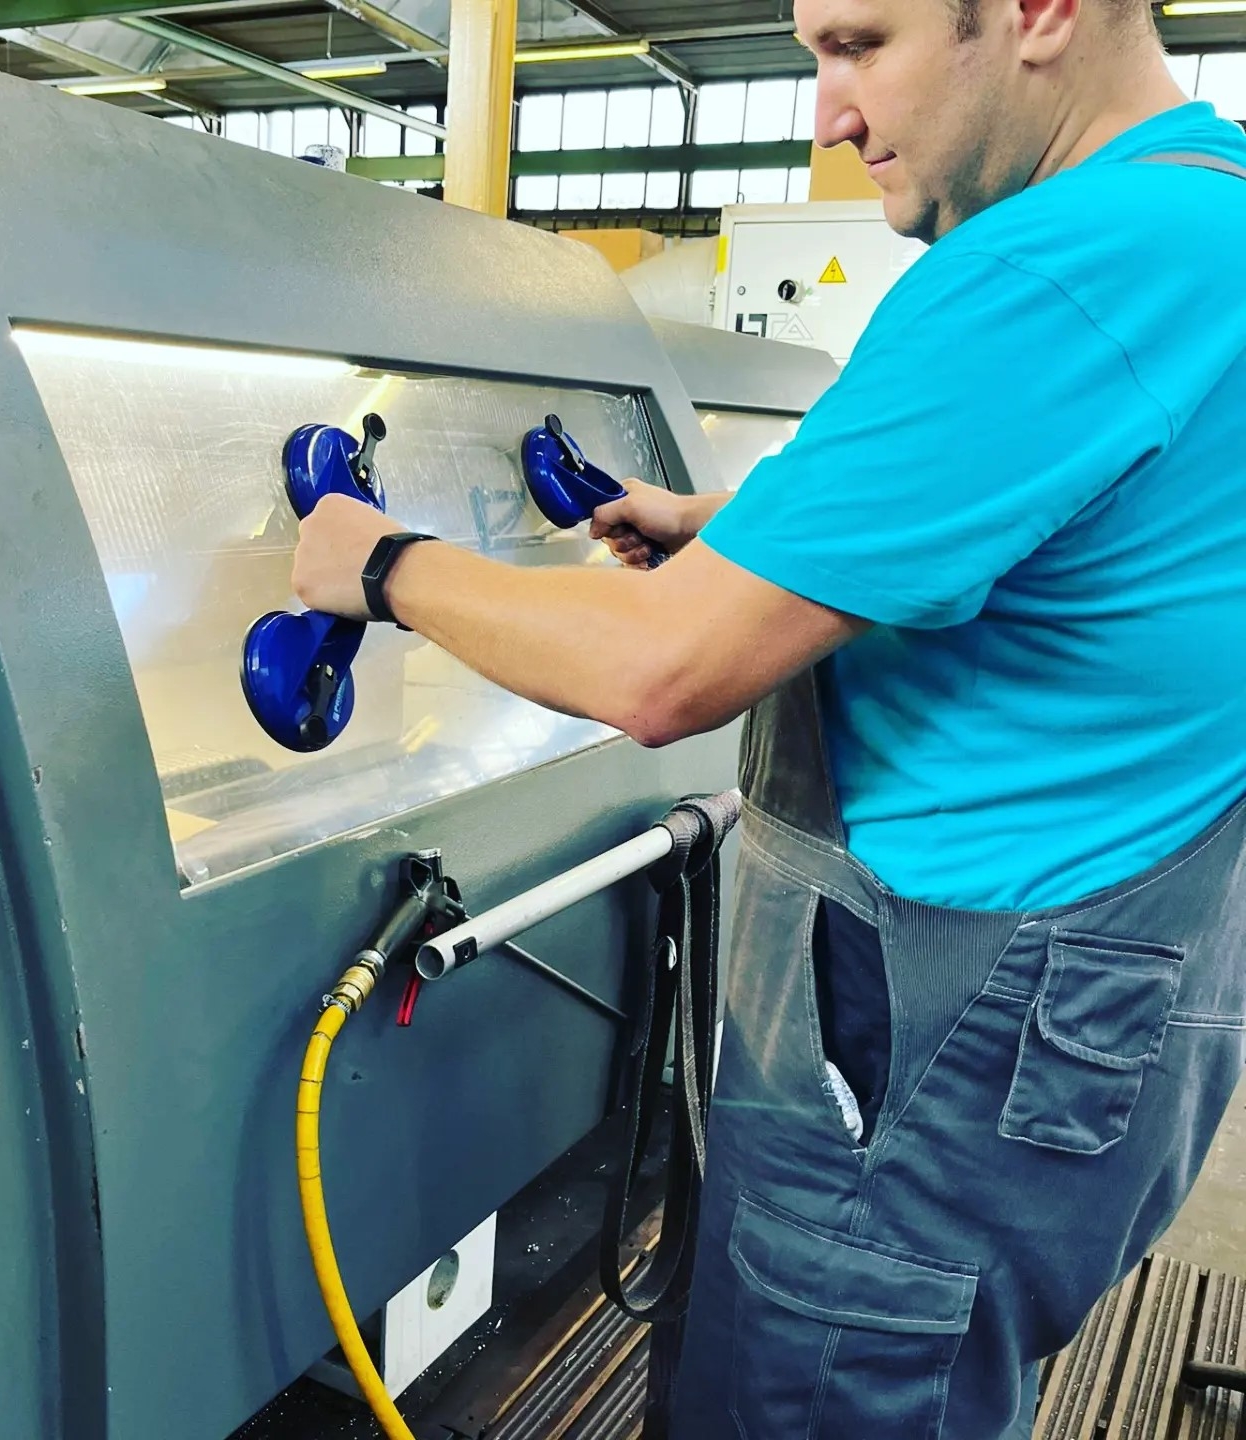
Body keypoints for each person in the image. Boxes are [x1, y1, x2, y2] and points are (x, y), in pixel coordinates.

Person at [293, 0, 1246, 1433]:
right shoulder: (1211, 217)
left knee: (817, 1386)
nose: (829, 115)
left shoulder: (1059, 269)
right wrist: (750, 536)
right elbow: (1083, 535)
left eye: (862, 45)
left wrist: (378, 563)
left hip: (930, 1060)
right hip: (1100, 1029)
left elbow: (659, 674)